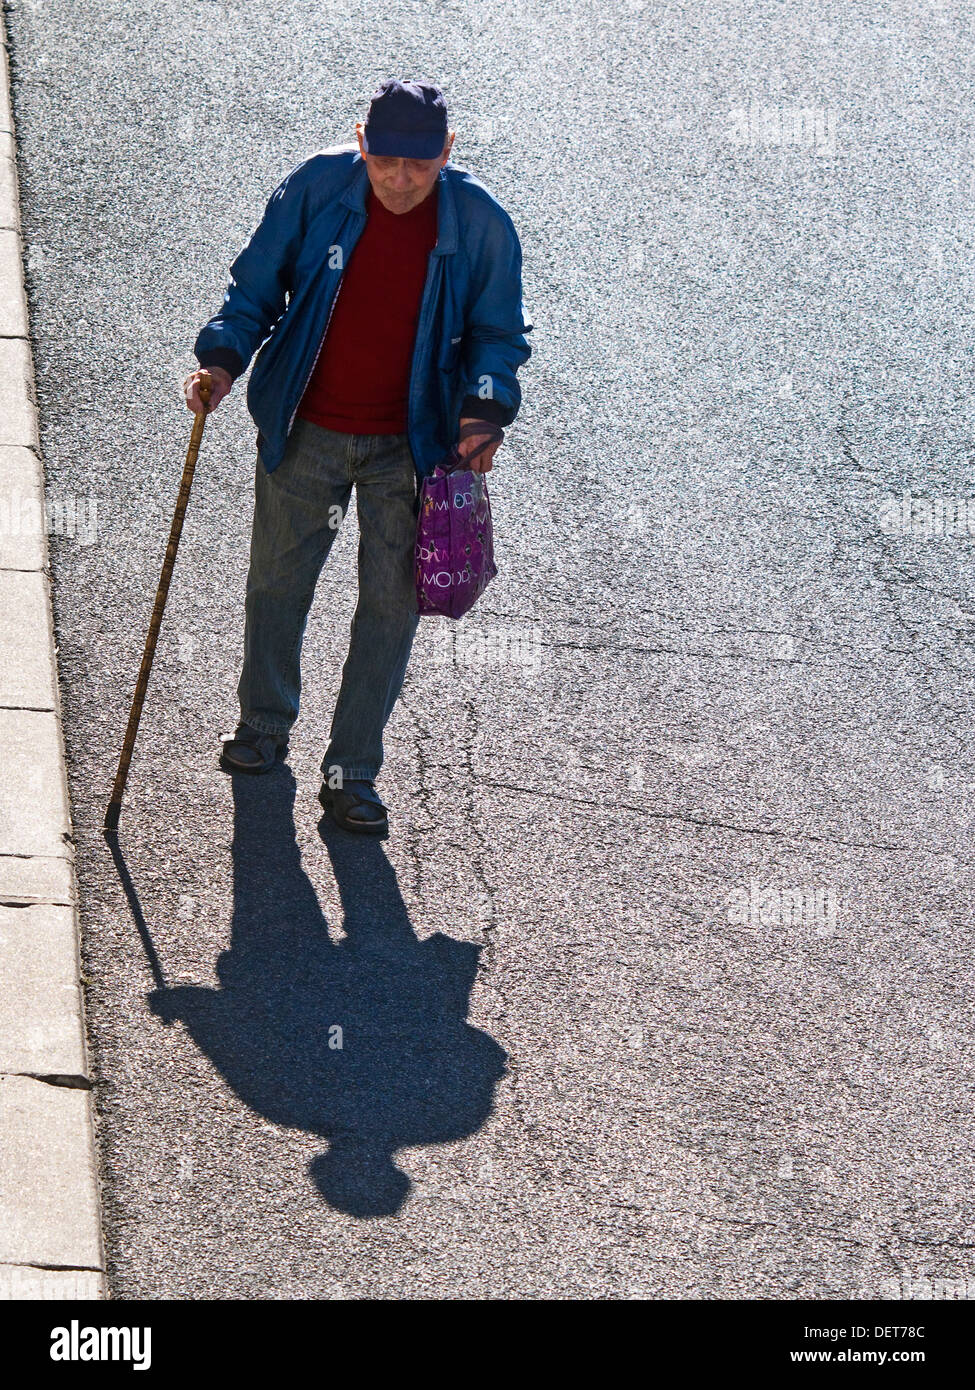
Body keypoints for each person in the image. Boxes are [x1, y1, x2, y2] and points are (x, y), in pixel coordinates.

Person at [183, 79, 532, 833]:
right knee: (276, 584)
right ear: (361, 142)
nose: (400, 180)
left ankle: (351, 773)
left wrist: (483, 411)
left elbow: (499, 334)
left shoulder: (479, 222)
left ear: (446, 152)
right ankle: (263, 729)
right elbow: (254, 288)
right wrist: (221, 360)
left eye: (418, 164)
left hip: (411, 447)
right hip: (303, 425)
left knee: (388, 608)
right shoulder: (316, 186)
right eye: (385, 162)